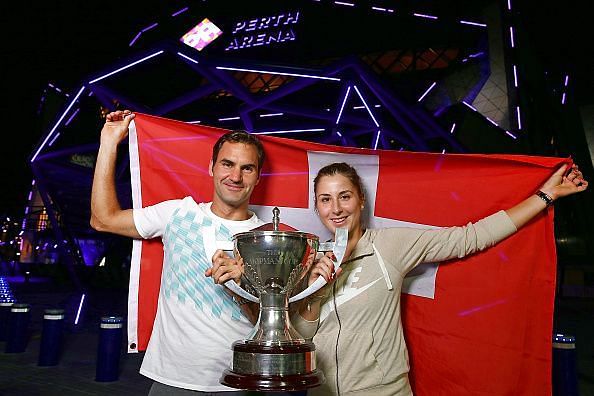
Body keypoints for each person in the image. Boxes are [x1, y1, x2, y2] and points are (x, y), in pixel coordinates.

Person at [296, 161, 588, 396]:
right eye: (325, 199)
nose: (335, 208)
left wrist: (545, 196)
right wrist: (313, 294)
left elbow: (469, 238)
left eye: (344, 196)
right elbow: (303, 336)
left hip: (383, 390)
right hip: (321, 389)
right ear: (317, 207)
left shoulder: (389, 246)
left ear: (360, 200)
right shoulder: (309, 258)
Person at [90, 110, 266, 395]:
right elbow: (103, 219)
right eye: (227, 164)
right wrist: (109, 142)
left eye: (247, 168)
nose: (236, 175)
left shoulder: (266, 238)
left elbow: (272, 323)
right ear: (211, 167)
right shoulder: (178, 213)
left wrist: (242, 287)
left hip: (241, 381)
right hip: (172, 379)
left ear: (258, 177)